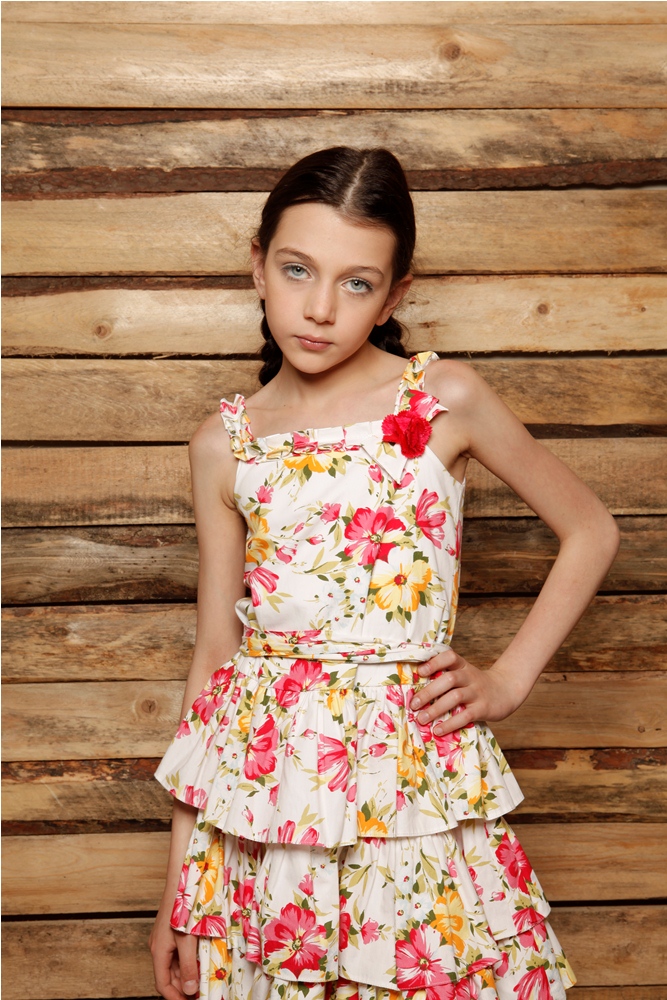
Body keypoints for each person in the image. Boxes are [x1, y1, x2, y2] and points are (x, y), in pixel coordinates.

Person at [149, 146, 619, 1000]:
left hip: (410, 785)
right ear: (257, 265)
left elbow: (589, 528)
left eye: (356, 283)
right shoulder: (225, 442)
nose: (319, 309)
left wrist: (506, 681)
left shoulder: (442, 400)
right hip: (265, 803)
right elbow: (214, 665)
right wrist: (180, 892)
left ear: (395, 295)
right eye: (297, 270)